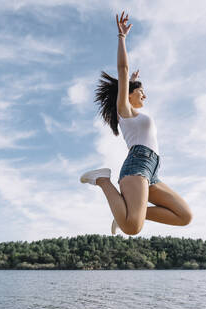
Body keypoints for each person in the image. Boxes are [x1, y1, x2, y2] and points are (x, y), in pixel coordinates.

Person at [80, 11, 192, 235]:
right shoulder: (124, 110)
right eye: (141, 91)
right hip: (137, 165)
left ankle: (127, 212)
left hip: (152, 170)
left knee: (184, 216)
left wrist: (132, 83)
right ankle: (102, 180)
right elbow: (123, 71)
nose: (145, 96)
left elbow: (128, 81)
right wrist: (122, 38)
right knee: (132, 228)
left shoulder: (135, 115)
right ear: (128, 95)